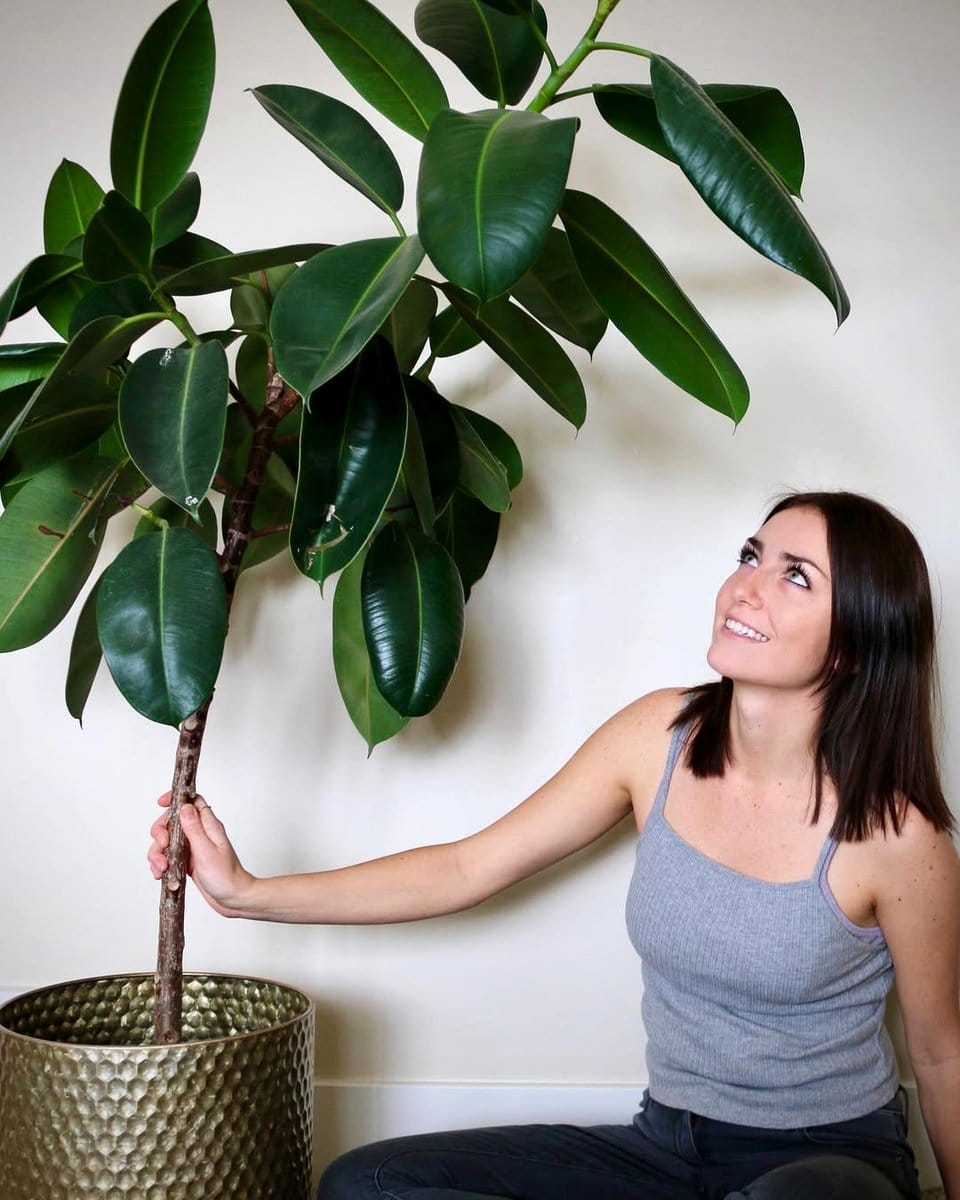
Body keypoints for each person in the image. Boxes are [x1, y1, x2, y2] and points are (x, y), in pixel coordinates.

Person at [148, 491, 960, 1200]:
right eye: (751, 555)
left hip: (825, 1162)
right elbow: (468, 866)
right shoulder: (660, 738)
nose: (746, 586)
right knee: (368, 1184)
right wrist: (247, 892)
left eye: (796, 576)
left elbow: (939, 1052)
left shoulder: (896, 835)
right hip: (663, 1147)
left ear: (855, 643)